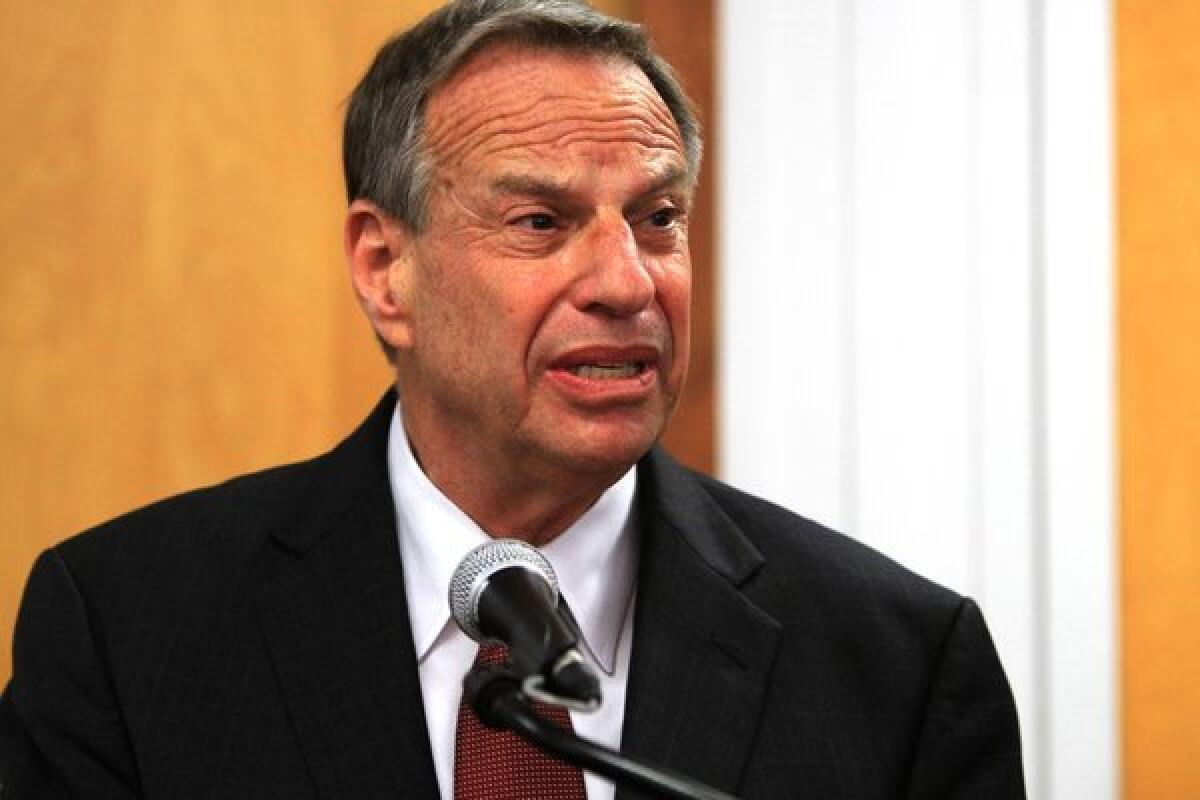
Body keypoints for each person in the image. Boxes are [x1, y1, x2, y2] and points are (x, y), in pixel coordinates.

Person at [0, 0, 1025, 797]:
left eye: (659, 217)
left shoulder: (897, 668)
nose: (628, 280)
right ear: (383, 267)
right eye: (541, 221)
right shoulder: (130, 636)